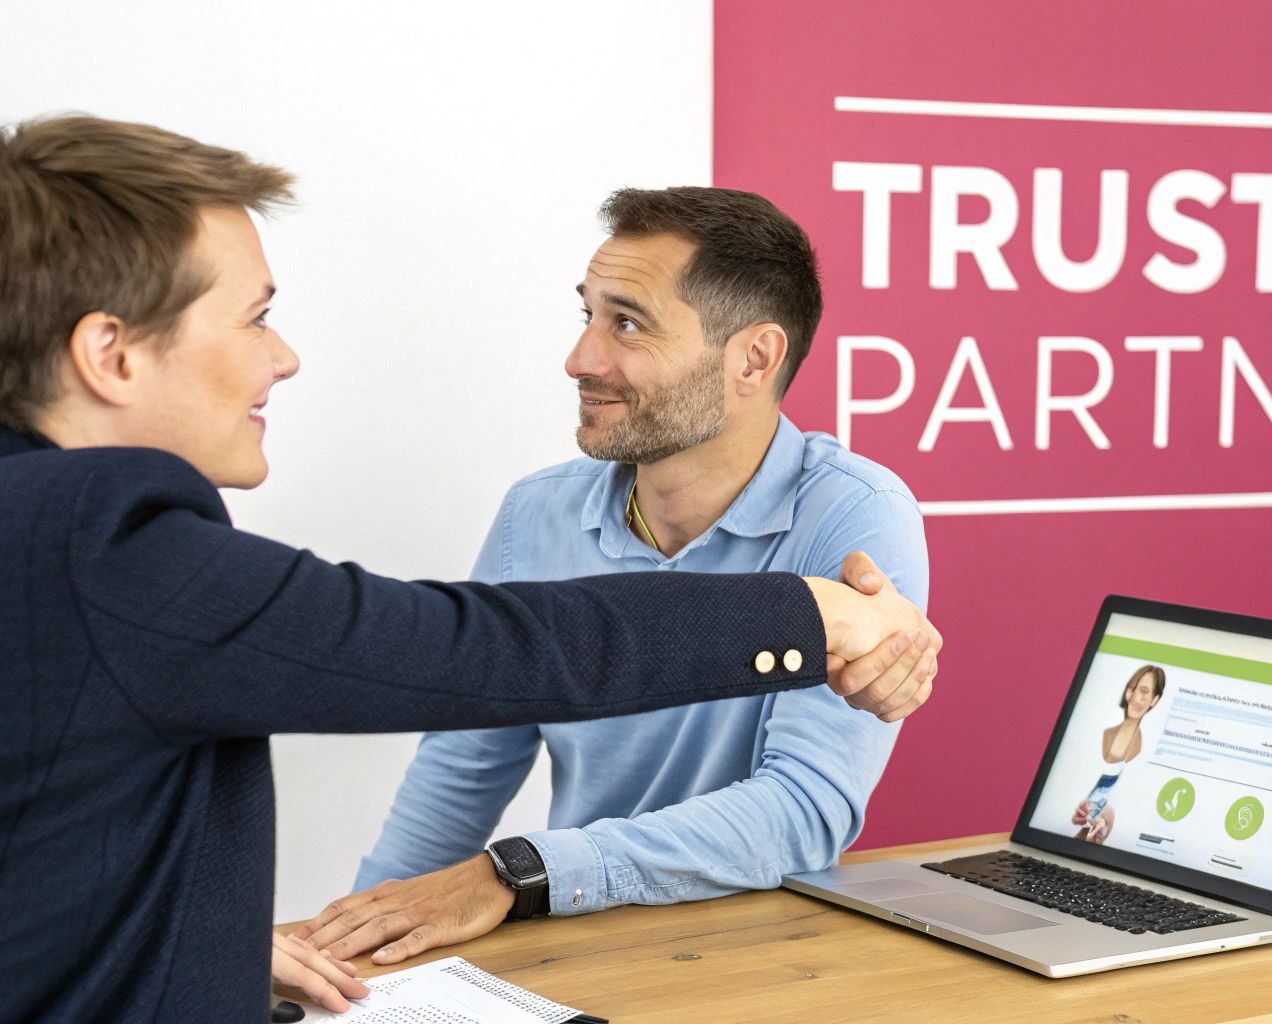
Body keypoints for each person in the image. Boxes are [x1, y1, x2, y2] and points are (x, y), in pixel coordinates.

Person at [0, 116, 941, 1024]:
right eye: (256, 316)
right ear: (110, 354)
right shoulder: (108, 552)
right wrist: (820, 615)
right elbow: (474, 654)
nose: (284, 356)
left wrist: (216, 950)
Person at [293, 187, 930, 974]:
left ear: (753, 359)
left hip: (767, 961)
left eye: (626, 323)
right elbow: (464, 764)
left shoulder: (853, 516)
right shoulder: (537, 514)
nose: (581, 358)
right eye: (587, 315)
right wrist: (346, 949)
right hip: (580, 935)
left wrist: (520, 872)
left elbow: (802, 812)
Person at [1071, 665, 1166, 843]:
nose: (1137, 698)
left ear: (1154, 700)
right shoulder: (1100, 734)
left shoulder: (1144, 754)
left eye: (1145, 692)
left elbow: (1111, 812)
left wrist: (1102, 822)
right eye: (1133, 689)